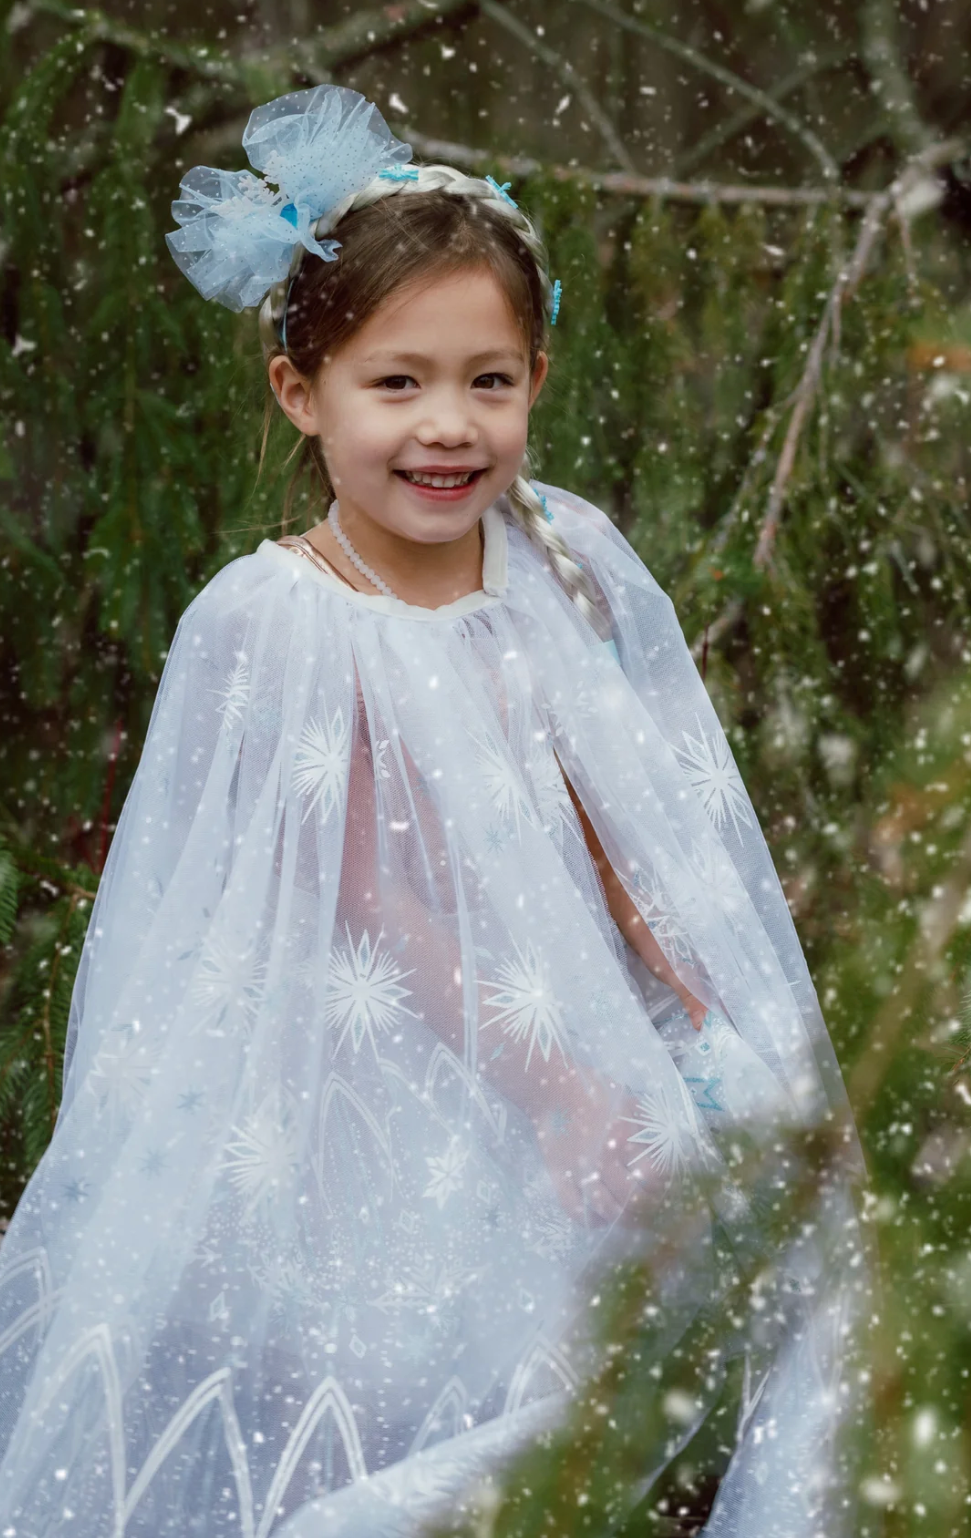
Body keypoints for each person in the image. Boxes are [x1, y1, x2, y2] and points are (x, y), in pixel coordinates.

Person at [0, 85, 871, 1537]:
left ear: (537, 374)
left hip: (581, 1067)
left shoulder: (562, 558)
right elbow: (356, 885)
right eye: (395, 383)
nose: (446, 427)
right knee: (413, 1435)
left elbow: (646, 818)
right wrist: (562, 1087)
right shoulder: (283, 619)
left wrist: (707, 1023)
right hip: (382, 1102)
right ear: (302, 390)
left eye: (487, 381)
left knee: (674, 1373)